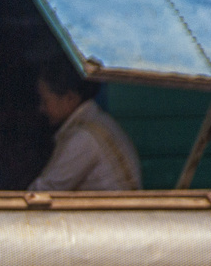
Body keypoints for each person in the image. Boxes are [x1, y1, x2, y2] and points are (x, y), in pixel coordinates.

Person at [29, 59, 141, 192]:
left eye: (45, 100)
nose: (42, 108)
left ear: (70, 98)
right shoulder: (98, 121)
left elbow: (45, 191)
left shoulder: (83, 137)